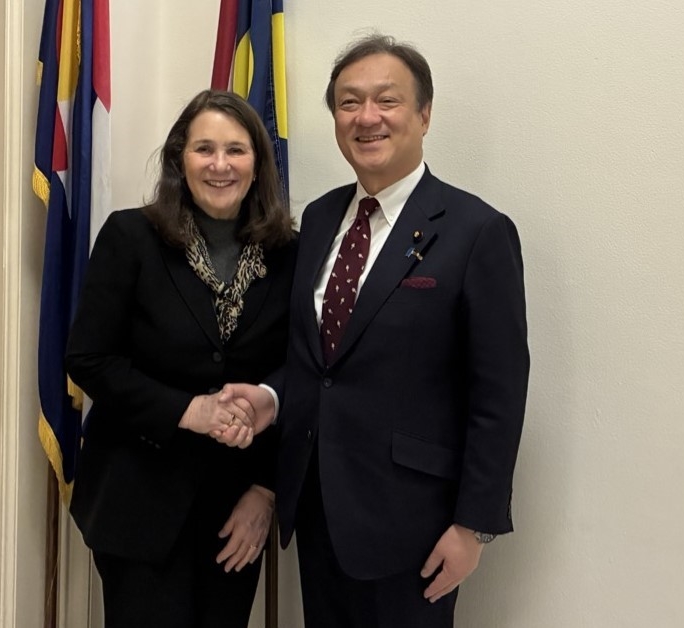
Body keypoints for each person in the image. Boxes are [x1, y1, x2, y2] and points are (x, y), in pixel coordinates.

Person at [223, 34, 530, 627]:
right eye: (348, 103)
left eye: (386, 101)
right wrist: (270, 397)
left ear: (424, 114)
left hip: (414, 527)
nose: (367, 118)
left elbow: (499, 392)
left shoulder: (476, 231)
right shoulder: (317, 218)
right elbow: (318, 362)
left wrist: (474, 527)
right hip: (316, 509)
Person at [65, 89, 296, 628]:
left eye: (236, 150)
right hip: (137, 502)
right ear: (179, 159)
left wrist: (265, 491)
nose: (220, 165)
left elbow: (299, 373)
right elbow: (88, 358)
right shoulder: (130, 236)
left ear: (258, 163)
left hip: (236, 510)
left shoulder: (289, 252)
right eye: (204, 149)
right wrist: (186, 410)